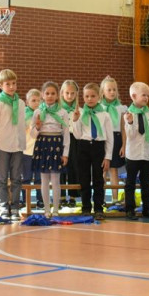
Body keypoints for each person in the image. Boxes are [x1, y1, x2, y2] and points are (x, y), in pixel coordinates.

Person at [69, 83, 114, 220]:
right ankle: (86, 207)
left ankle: (99, 208)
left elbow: (109, 137)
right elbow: (77, 135)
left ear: (99, 96)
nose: (90, 99)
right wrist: (75, 120)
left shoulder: (105, 115)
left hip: (98, 147)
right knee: (84, 178)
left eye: (93, 96)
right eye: (87, 96)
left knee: (98, 179)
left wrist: (108, 157)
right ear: (83, 97)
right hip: (83, 146)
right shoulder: (80, 113)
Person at [0, 69, 27, 220]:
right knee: (2, 178)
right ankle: (4, 206)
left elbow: (22, 124)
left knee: (17, 178)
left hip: (17, 145)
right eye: (7, 84)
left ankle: (15, 207)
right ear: (0, 85)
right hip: (2, 145)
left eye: (14, 83)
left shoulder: (21, 103)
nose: (11, 87)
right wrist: (5, 131)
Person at [122, 81, 149, 220]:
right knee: (130, 183)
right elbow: (131, 135)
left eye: (148, 95)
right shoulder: (128, 114)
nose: (146, 98)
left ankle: (147, 209)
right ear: (134, 96)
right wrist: (130, 122)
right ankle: (130, 209)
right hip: (133, 154)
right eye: (143, 95)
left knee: (146, 183)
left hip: (147, 154)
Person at [31, 81, 70, 218]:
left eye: (53, 93)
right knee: (44, 179)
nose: (50, 96)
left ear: (57, 95)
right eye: (47, 93)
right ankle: (47, 209)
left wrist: (65, 153)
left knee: (55, 179)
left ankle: (56, 209)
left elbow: (66, 133)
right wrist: (37, 127)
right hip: (43, 144)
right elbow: (32, 135)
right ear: (42, 95)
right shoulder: (37, 112)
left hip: (56, 145)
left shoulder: (63, 112)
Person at [58, 80, 81, 209]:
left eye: (72, 93)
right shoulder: (57, 110)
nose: (70, 96)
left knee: (74, 166)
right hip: (60, 139)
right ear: (62, 93)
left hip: (75, 139)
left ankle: (72, 196)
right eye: (67, 93)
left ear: (76, 94)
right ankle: (61, 196)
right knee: (60, 166)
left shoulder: (80, 110)